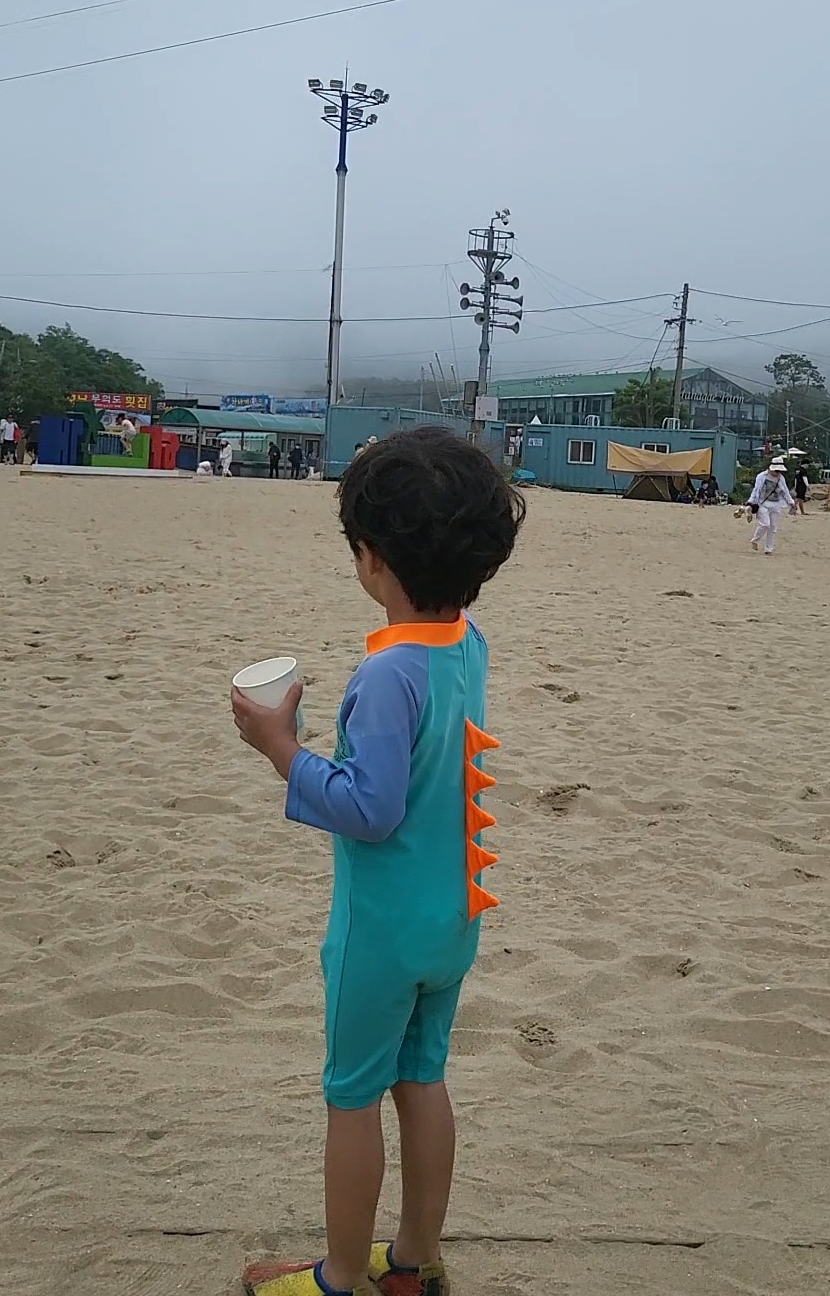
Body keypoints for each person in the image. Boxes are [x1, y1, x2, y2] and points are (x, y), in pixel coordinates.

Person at [231, 429, 525, 1296]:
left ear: (371, 557)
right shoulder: (466, 641)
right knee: (422, 1077)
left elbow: (369, 808)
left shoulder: (388, 671)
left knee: (352, 1092)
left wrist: (280, 748)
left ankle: (337, 1276)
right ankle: (413, 1260)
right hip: (453, 915)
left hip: (384, 932)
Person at [748, 456, 795, 555]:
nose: (778, 473)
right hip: (762, 503)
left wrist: (791, 502)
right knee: (765, 524)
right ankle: (755, 540)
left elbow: (785, 491)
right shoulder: (762, 476)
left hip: (776, 504)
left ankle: (768, 548)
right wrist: (750, 502)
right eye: (776, 471)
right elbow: (756, 490)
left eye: (779, 471)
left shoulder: (781, 478)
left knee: (773, 527)